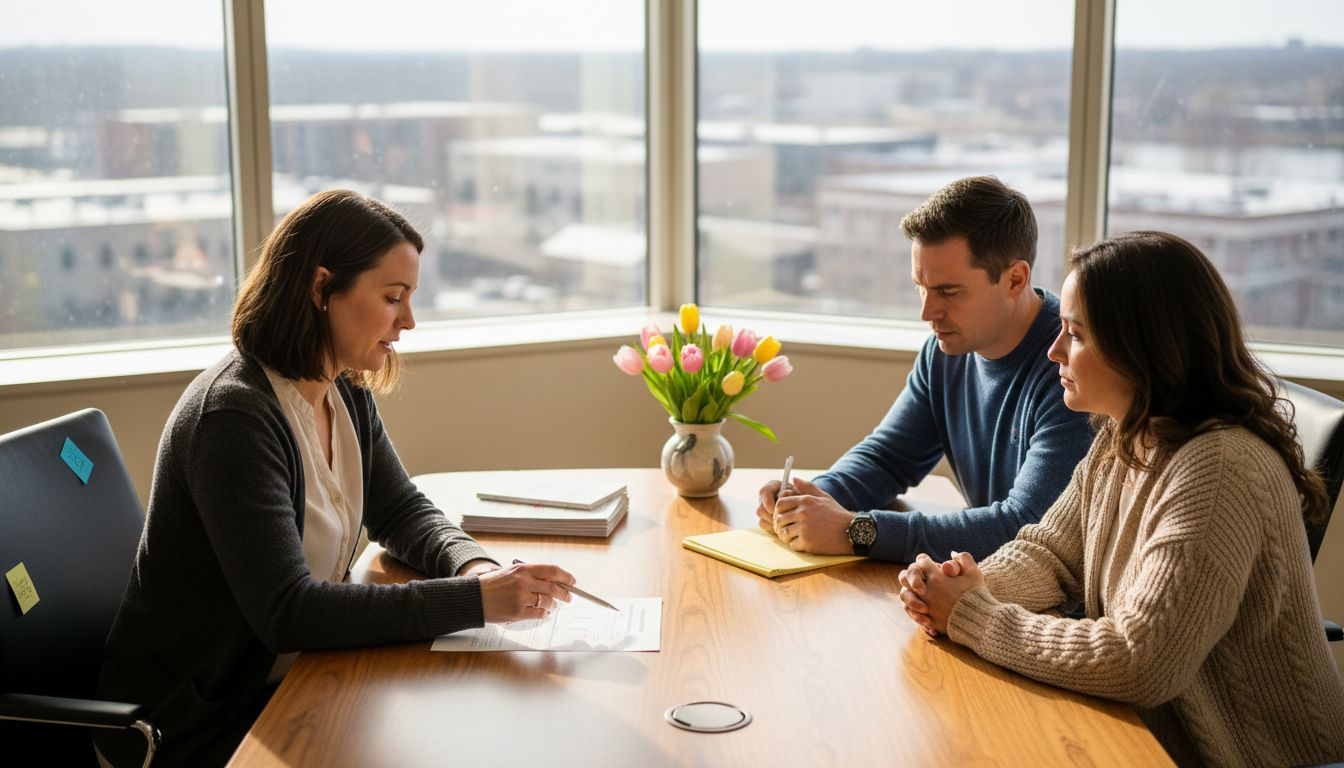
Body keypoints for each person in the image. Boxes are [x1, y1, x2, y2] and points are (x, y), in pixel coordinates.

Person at [95, 190, 575, 767]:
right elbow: (288, 613)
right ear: (322, 288)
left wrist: (476, 567)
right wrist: (474, 601)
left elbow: (399, 509)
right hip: (192, 723)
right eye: (393, 297)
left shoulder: (339, 383)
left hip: (290, 681)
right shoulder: (233, 418)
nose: (409, 320)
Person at [898, 231, 1344, 767]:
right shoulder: (1126, 435)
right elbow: (1051, 553)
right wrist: (959, 587)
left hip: (1239, 756)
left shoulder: (1219, 469)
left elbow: (1139, 662)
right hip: (1140, 735)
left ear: (1145, 347)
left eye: (1076, 335)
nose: (1054, 350)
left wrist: (976, 615)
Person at [759, 176, 1093, 563]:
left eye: (948, 292)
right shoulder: (945, 351)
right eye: (921, 287)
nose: (927, 313)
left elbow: (1025, 526)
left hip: (1049, 608)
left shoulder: (1070, 368)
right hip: (984, 584)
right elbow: (888, 458)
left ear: (1015, 279)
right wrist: (809, 499)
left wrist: (856, 530)